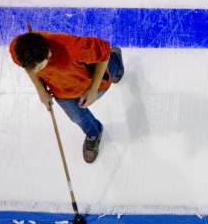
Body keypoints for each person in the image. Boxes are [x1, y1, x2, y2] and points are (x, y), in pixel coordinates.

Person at [10, 31, 124, 163]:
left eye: (40, 67)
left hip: (90, 84)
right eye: (33, 69)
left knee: (110, 66)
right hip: (62, 91)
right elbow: (31, 68)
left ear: (49, 53)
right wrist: (41, 90)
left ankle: (116, 59)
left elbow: (104, 51)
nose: (35, 72)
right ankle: (94, 132)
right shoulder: (18, 49)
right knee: (77, 117)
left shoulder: (74, 47)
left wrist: (93, 89)